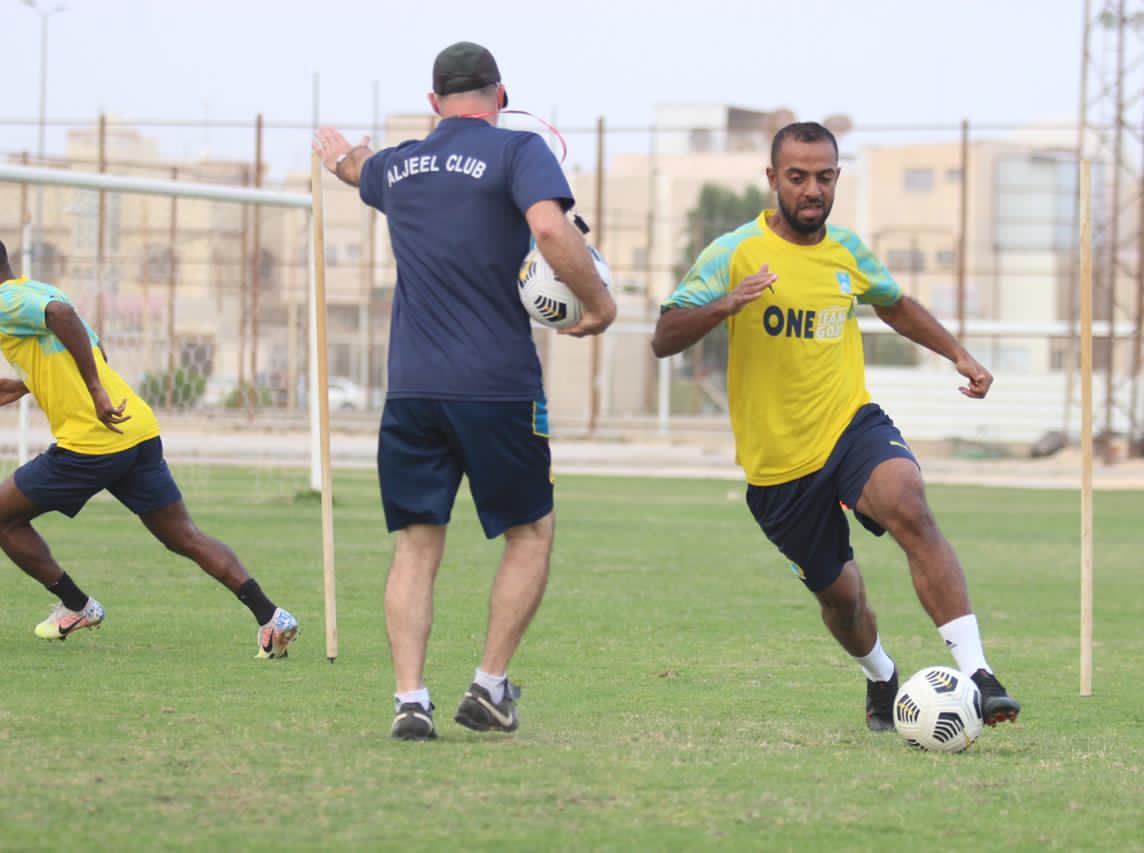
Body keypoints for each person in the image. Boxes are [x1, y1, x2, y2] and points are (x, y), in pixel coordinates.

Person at [651, 122, 1020, 731]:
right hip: (778, 469)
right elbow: (665, 337)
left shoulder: (847, 251)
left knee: (908, 501)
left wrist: (959, 353)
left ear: (836, 179)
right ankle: (881, 677)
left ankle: (980, 675)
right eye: (797, 177)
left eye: (824, 177)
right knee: (843, 601)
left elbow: (894, 303)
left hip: (850, 426)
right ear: (773, 180)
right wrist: (728, 304)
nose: (811, 189)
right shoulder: (733, 253)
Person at [312, 41, 616, 741]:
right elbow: (549, 225)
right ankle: (487, 686)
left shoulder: (397, 166)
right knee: (530, 530)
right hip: (497, 385)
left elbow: (356, 167)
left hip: (412, 389)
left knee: (417, 547)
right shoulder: (517, 152)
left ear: (433, 104)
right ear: (500, 96)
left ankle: (409, 700)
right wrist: (599, 304)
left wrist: (335, 155)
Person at [0, 239, 298, 658]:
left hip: (92, 441)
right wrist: (32, 385)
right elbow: (89, 346)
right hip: (134, 428)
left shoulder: (6, 303)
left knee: (3, 518)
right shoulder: (39, 290)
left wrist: (94, 394)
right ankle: (272, 617)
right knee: (183, 535)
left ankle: (77, 606)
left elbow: (64, 319)